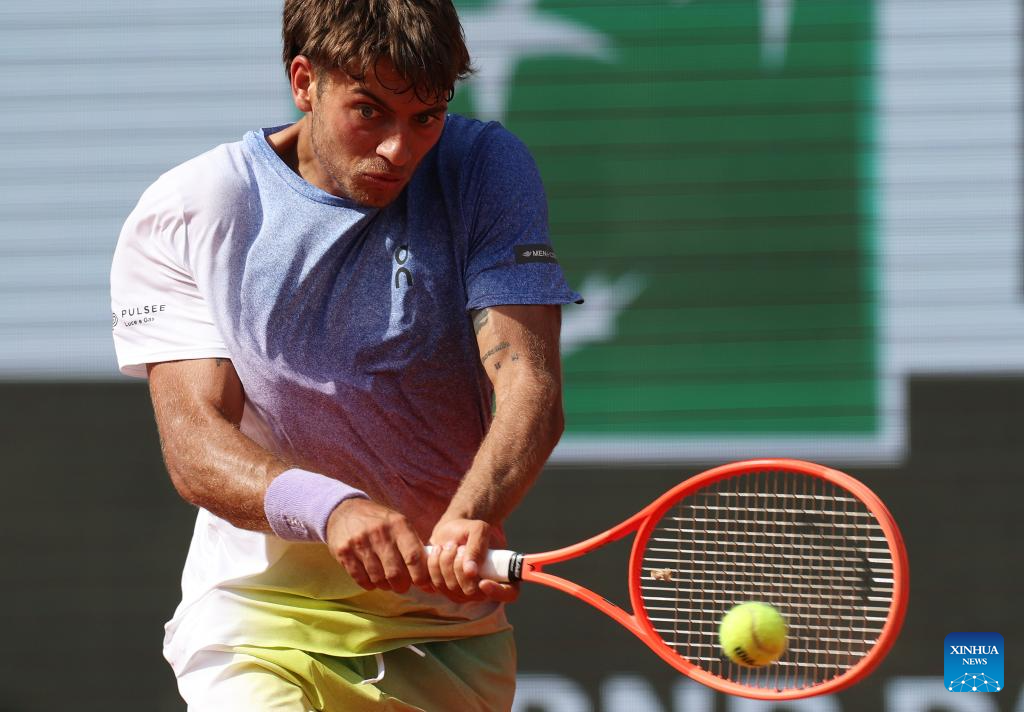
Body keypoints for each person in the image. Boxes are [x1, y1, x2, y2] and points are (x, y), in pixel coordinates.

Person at [109, 0, 581, 709]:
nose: (399, 149)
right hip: (259, 622)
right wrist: (331, 509)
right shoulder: (196, 208)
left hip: (447, 635)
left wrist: (470, 513)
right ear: (305, 82)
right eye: (370, 112)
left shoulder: (485, 167)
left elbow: (530, 386)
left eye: (427, 117)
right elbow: (195, 444)